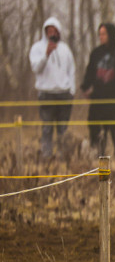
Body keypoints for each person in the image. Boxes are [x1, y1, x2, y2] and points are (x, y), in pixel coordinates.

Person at [28, 16, 76, 158]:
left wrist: (72, 90)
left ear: (59, 32)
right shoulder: (37, 48)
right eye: (49, 31)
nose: (52, 34)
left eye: (55, 31)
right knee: (47, 128)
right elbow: (36, 68)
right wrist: (46, 54)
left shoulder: (65, 49)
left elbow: (71, 70)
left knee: (63, 128)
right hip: (46, 93)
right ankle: (46, 157)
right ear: (45, 32)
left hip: (64, 93)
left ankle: (62, 158)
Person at [81, 22, 115, 157]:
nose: (101, 37)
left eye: (104, 34)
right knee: (98, 139)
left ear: (111, 34)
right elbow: (90, 72)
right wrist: (85, 87)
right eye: (100, 34)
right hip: (98, 102)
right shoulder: (96, 53)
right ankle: (103, 174)